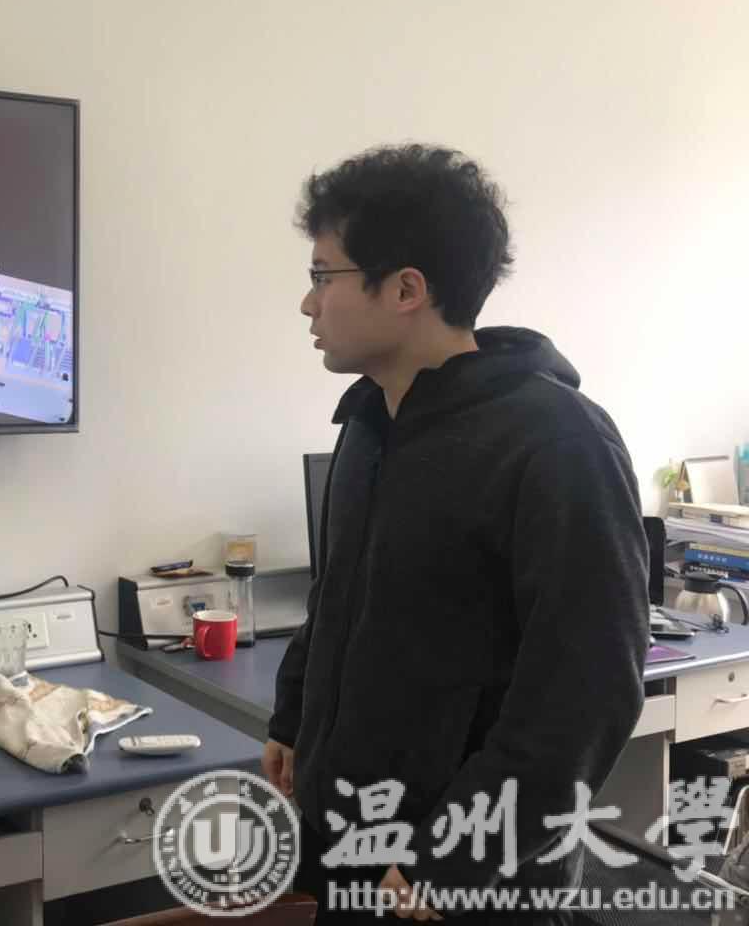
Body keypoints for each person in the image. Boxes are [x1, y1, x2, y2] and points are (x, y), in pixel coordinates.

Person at [262, 144, 648, 923]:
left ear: (406, 289)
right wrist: (294, 718)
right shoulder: (370, 422)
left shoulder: (556, 441)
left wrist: (454, 854)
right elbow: (339, 595)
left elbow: (586, 690)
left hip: (470, 881)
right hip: (357, 845)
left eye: (323, 277)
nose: (307, 304)